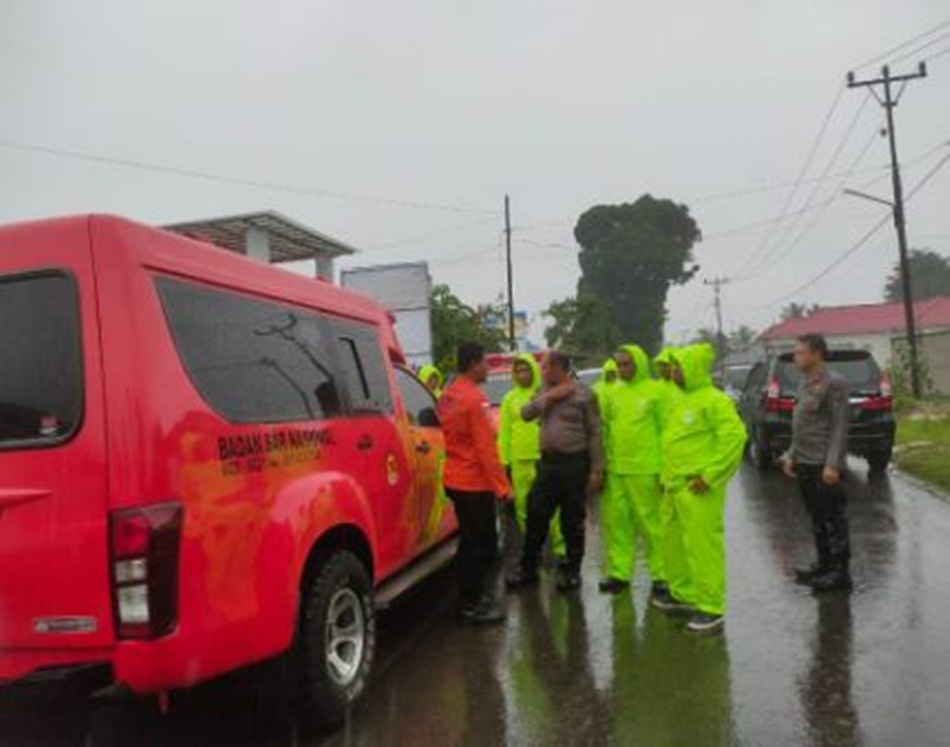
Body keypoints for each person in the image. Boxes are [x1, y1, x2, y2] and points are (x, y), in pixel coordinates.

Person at [655, 344, 746, 633]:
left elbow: (734, 439)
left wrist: (709, 476)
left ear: (692, 368)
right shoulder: (679, 400)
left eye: (679, 366)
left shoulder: (715, 400)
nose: (673, 372)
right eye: (673, 366)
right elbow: (674, 443)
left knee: (703, 547)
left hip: (698, 488)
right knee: (674, 545)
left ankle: (711, 606)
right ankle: (683, 594)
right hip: (673, 486)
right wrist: (664, 477)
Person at [506, 351, 603, 592]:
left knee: (572, 520)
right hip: (548, 465)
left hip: (575, 464)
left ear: (560, 368)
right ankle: (527, 569)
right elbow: (526, 414)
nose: (542, 370)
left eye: (546, 366)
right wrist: (549, 397)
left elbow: (595, 433)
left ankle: (571, 572)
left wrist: (596, 470)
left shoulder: (585, 394)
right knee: (536, 514)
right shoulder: (542, 391)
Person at [438, 342, 511, 625]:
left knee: (470, 543)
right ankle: (470, 606)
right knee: (480, 546)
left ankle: (468, 601)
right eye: (485, 362)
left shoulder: (449, 395)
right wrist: (503, 487)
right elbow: (485, 449)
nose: (488, 368)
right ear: (472, 364)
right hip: (473, 482)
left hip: (456, 477)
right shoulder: (473, 399)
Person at [780, 334, 853, 592]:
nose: (795, 356)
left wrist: (833, 464)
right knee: (816, 517)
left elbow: (839, 427)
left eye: (800, 352)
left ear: (816, 353)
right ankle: (823, 565)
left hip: (824, 464)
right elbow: (801, 425)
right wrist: (791, 454)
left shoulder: (834, 383)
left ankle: (840, 573)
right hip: (806, 462)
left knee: (834, 519)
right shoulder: (804, 384)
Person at [599, 345, 669, 599]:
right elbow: (605, 429)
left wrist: (665, 471)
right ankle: (620, 573)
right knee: (618, 524)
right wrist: (602, 465)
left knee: (652, 525)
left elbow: (665, 433)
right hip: (617, 468)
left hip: (646, 469)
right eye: (618, 364)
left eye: (626, 364)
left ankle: (661, 575)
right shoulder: (613, 392)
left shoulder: (656, 392)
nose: (621, 369)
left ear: (639, 363)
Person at [497, 354, 566, 560]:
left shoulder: (546, 393)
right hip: (519, 460)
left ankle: (561, 549)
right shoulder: (509, 398)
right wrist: (504, 460)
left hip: (545, 458)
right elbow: (505, 432)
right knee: (523, 506)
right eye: (517, 370)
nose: (521, 374)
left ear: (534, 370)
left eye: (525, 369)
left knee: (552, 507)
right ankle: (532, 548)